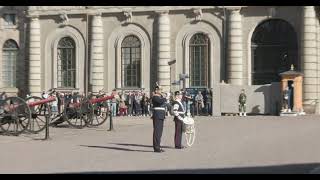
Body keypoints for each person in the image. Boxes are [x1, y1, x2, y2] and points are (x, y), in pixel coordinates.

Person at [151, 85, 167, 153]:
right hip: (157, 116)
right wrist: (165, 97)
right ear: (156, 90)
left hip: (160, 116)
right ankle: (156, 148)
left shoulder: (159, 97)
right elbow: (160, 102)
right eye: (160, 90)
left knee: (159, 132)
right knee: (157, 132)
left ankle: (158, 146)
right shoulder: (155, 97)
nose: (161, 91)